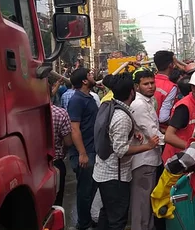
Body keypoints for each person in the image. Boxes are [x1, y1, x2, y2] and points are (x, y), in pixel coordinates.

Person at [92, 73, 160, 230]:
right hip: (114, 176)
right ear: (132, 92)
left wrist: (133, 131)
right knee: (117, 219)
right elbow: (120, 150)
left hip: (104, 171)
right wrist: (147, 146)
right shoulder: (122, 117)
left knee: (107, 213)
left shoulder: (111, 105)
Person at [130, 69, 167, 230]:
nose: (151, 87)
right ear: (137, 86)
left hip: (152, 158)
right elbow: (152, 132)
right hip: (143, 160)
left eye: (152, 83)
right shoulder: (138, 105)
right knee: (141, 204)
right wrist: (175, 140)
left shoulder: (149, 101)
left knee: (148, 202)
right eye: (146, 84)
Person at [68, 68, 100, 230]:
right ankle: (83, 223)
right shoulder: (77, 100)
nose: (92, 76)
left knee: (91, 189)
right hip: (85, 152)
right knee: (85, 191)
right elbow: (75, 129)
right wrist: (82, 153)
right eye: (90, 75)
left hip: (92, 150)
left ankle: (86, 220)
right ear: (84, 81)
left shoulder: (88, 97)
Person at [162, 68, 195, 163]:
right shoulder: (184, 107)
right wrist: (193, 148)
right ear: (192, 88)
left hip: (188, 157)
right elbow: (168, 136)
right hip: (176, 160)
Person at [153, 51, 181, 130]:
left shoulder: (148, 81)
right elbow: (163, 118)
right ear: (170, 65)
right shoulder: (171, 87)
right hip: (163, 131)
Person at [52, 103, 73, 206]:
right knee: (56, 203)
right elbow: (68, 142)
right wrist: (62, 152)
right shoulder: (60, 113)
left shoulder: (21, 114)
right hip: (56, 162)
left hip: (32, 166)